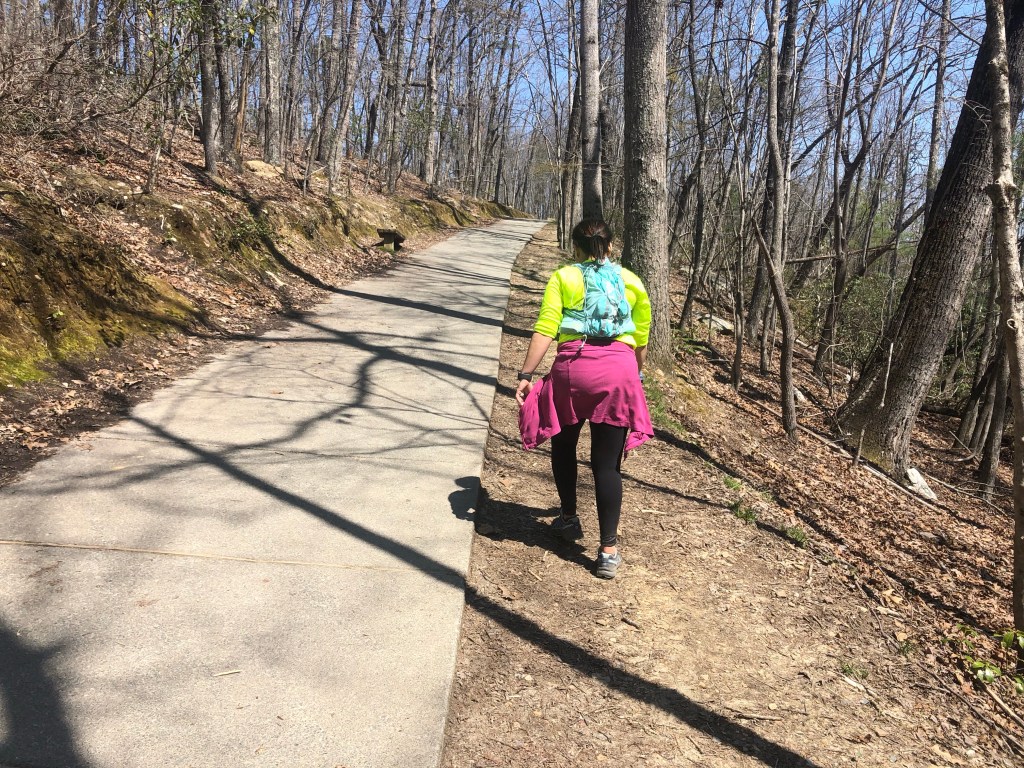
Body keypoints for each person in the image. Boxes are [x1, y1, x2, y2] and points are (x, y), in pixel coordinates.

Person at [515, 219, 654, 579]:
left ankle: (568, 517)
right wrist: (635, 374)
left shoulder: (564, 277)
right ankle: (608, 551)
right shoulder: (632, 282)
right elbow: (640, 338)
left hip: (573, 370)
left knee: (564, 446)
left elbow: (546, 327)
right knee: (607, 466)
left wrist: (526, 374)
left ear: (575, 247)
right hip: (619, 371)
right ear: (610, 245)